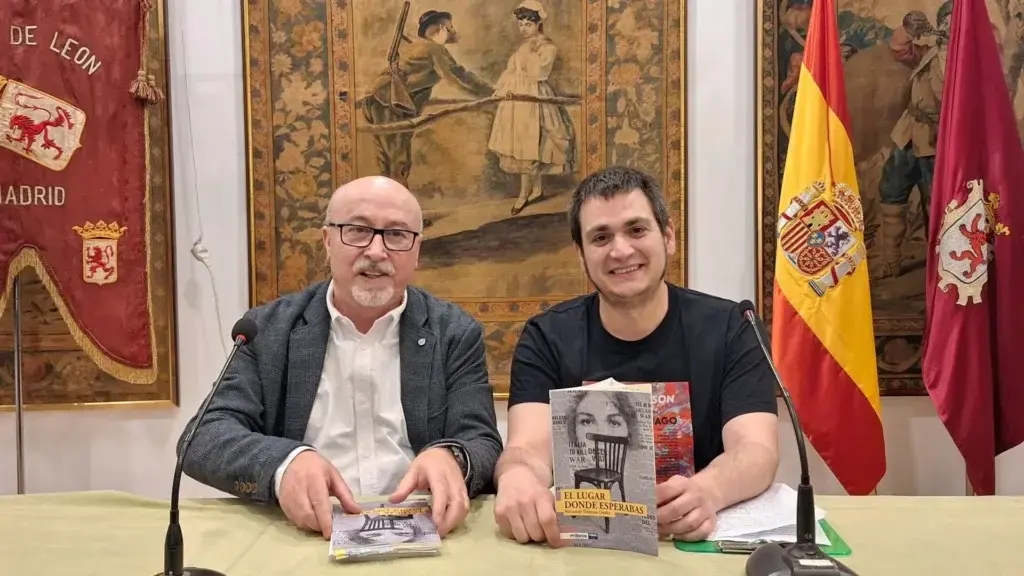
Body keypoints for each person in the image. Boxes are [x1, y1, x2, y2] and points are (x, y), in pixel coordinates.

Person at [178, 176, 503, 540]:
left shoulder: (454, 332)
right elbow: (203, 438)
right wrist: (285, 464)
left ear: (417, 251)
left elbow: (482, 440)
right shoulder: (267, 330)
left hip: (426, 530)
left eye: (396, 235)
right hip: (304, 532)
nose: (377, 252)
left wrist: (451, 457)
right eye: (358, 230)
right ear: (327, 241)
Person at [492, 166, 780, 545]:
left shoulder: (732, 326)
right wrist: (517, 478)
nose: (621, 250)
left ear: (668, 237)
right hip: (584, 551)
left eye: (636, 229)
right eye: (600, 237)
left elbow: (756, 448)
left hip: (694, 543)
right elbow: (526, 448)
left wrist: (710, 489)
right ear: (581, 256)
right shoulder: (546, 336)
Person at [360, 10, 494, 186]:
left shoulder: (415, 47)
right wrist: (491, 94)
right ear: (442, 28)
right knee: (399, 162)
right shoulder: (434, 49)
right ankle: (401, 209)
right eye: (451, 27)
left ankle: (386, 207)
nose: (454, 31)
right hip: (390, 102)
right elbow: (458, 77)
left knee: (384, 162)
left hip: (374, 100)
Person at [486, 0, 576, 215]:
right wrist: (502, 89)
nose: (524, 29)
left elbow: (540, 74)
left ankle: (524, 195)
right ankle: (535, 190)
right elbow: (510, 71)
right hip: (516, 100)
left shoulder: (548, 48)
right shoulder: (522, 48)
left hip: (535, 98)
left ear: (538, 25)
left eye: (528, 24)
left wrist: (531, 53)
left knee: (532, 144)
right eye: (521, 24)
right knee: (520, 144)